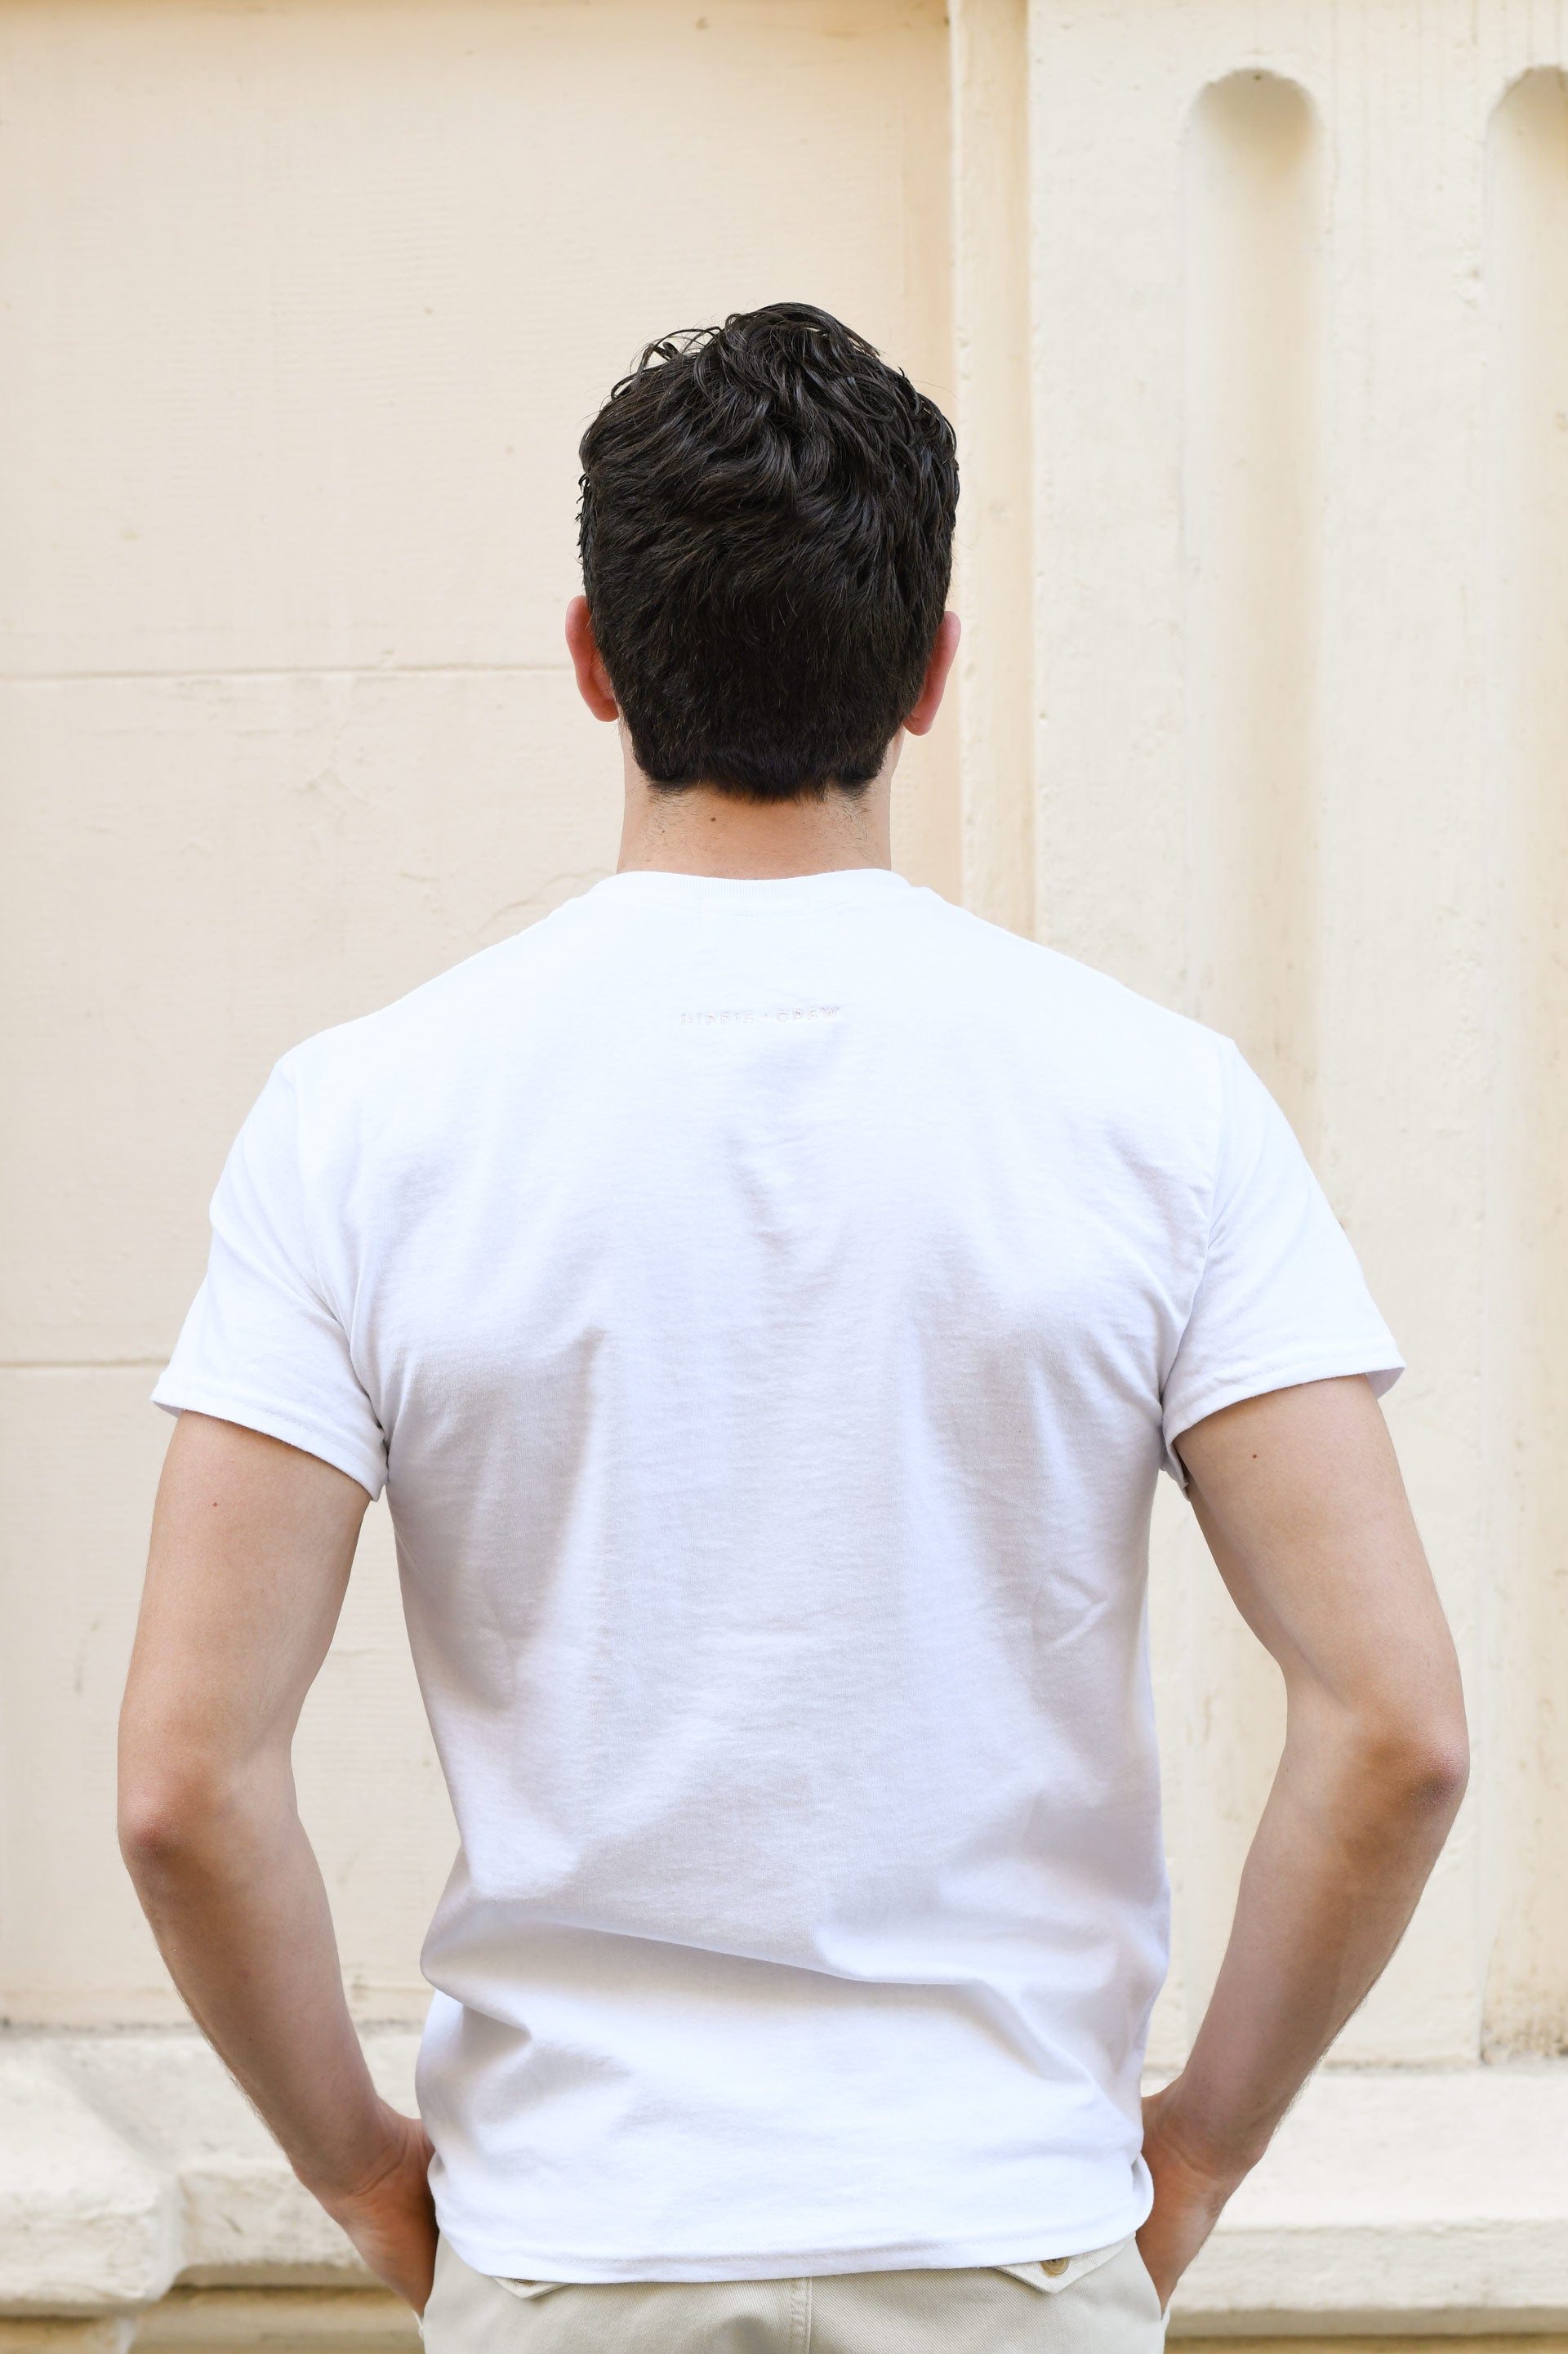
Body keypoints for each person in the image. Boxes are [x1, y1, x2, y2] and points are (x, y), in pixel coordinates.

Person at [119, 301, 1468, 2354]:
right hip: (1006, 2239)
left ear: (594, 657)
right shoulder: (1158, 1110)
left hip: (576, 2243)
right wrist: (1194, 2155)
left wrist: (360, 2176)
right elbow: (1397, 1726)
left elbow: (184, 1785)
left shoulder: (362, 1121)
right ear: (930, 673)